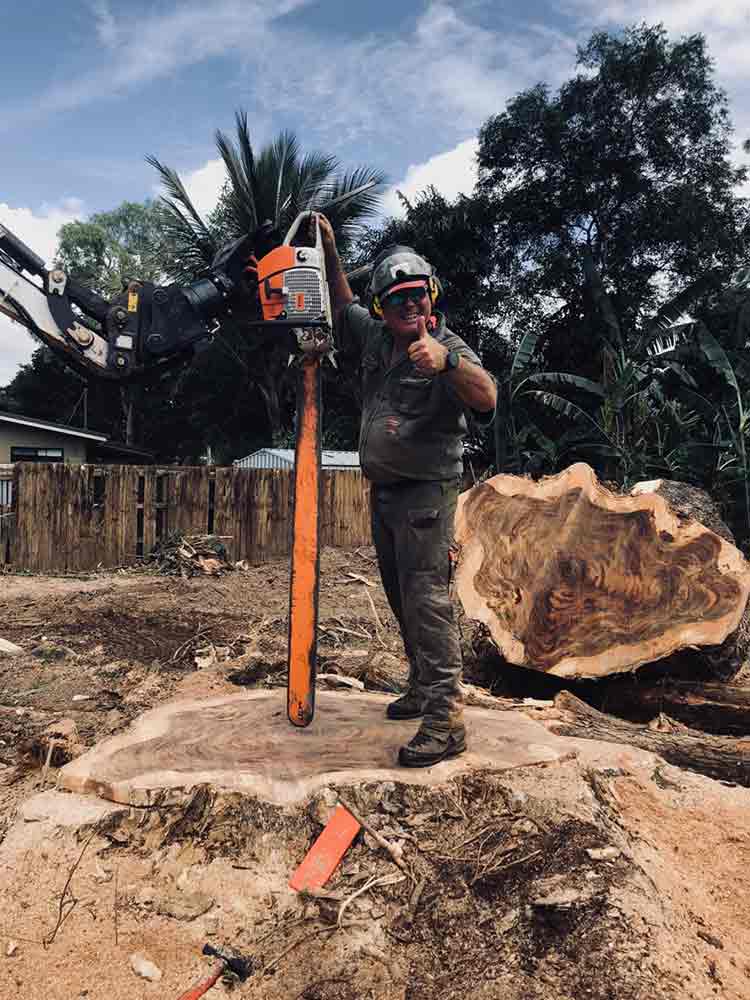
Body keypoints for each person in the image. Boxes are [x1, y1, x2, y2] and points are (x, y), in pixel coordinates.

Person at [317, 216, 497, 766]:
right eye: (397, 300)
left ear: (431, 294)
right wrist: (329, 250)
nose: (409, 308)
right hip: (386, 492)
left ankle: (446, 720)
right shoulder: (374, 336)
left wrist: (448, 364)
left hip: (426, 494)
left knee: (427, 601)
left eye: (416, 297)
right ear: (382, 307)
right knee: (400, 596)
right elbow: (344, 301)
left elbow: (487, 396)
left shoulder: (446, 345)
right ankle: (421, 686)